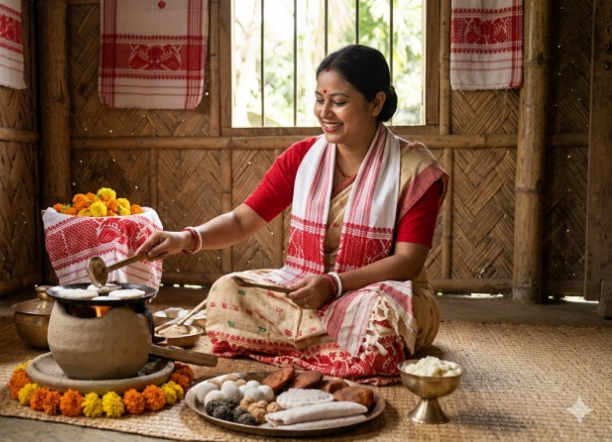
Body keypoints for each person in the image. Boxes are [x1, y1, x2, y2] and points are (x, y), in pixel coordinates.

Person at [136, 44, 449, 385]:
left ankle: (305, 345)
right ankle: (330, 350)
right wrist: (185, 239)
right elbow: (243, 220)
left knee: (383, 321)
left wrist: (334, 284)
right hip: (307, 291)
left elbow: (408, 262)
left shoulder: (415, 170)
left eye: (339, 102)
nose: (324, 112)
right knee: (228, 290)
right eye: (319, 99)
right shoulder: (302, 158)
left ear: (375, 103)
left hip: (382, 295)